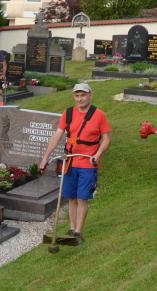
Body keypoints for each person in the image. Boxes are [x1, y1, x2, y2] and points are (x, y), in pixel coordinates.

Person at [40, 83, 111, 242]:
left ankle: (79, 232)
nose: (80, 99)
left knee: (82, 198)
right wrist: (45, 157)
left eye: (83, 95)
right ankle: (72, 229)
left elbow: (106, 139)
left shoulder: (99, 115)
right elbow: (57, 135)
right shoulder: (68, 113)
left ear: (90, 95)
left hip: (87, 163)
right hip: (70, 162)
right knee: (71, 197)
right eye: (77, 96)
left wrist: (98, 154)